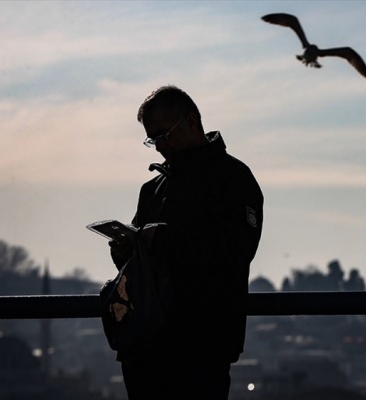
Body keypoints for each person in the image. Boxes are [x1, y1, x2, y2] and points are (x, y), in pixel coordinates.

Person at [107, 85, 264, 400]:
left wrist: (160, 239)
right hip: (148, 342)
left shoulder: (232, 177)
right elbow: (140, 266)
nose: (159, 146)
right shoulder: (152, 189)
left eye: (165, 135)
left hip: (200, 342)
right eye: (153, 139)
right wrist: (126, 251)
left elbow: (236, 249)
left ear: (192, 122)